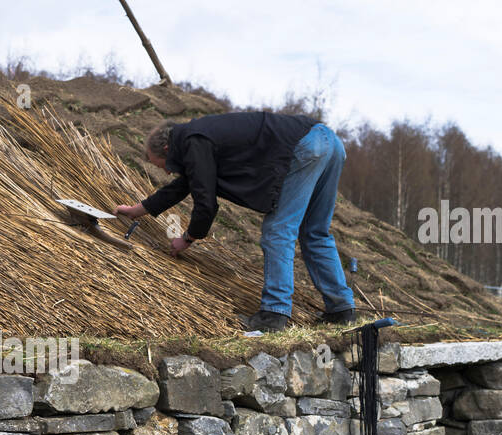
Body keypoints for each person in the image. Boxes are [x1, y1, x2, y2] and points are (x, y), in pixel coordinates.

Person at [115, 111, 357, 332]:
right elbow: (186, 184)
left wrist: (188, 238)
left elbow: (206, 203)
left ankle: (274, 313)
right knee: (315, 232)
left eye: (161, 165)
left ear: (167, 149)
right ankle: (342, 309)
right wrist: (139, 209)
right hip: (330, 142)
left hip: (306, 147)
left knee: (277, 230)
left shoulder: (192, 141)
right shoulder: (198, 136)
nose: (167, 172)